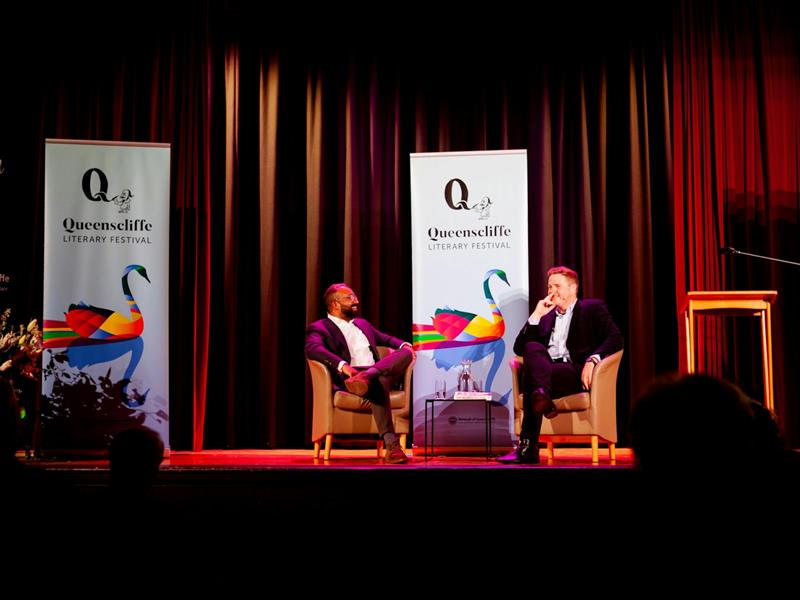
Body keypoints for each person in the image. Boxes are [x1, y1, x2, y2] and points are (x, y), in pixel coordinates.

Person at [497, 266, 623, 464]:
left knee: (532, 380)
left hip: (573, 371)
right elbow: (519, 348)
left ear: (573, 289)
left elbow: (616, 338)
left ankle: (528, 447)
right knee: (532, 348)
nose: (552, 292)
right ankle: (541, 394)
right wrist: (536, 315)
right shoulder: (545, 317)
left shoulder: (592, 309)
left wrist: (593, 359)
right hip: (546, 372)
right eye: (549, 287)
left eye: (557, 286)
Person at [305, 283, 415, 464]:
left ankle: (370, 375)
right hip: (352, 378)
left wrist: (404, 345)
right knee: (380, 382)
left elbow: (386, 339)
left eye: (355, 297)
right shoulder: (320, 327)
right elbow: (313, 349)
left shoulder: (362, 324)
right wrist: (344, 366)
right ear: (334, 305)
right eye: (349, 298)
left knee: (405, 353)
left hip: (375, 372)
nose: (356, 301)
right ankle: (392, 447)